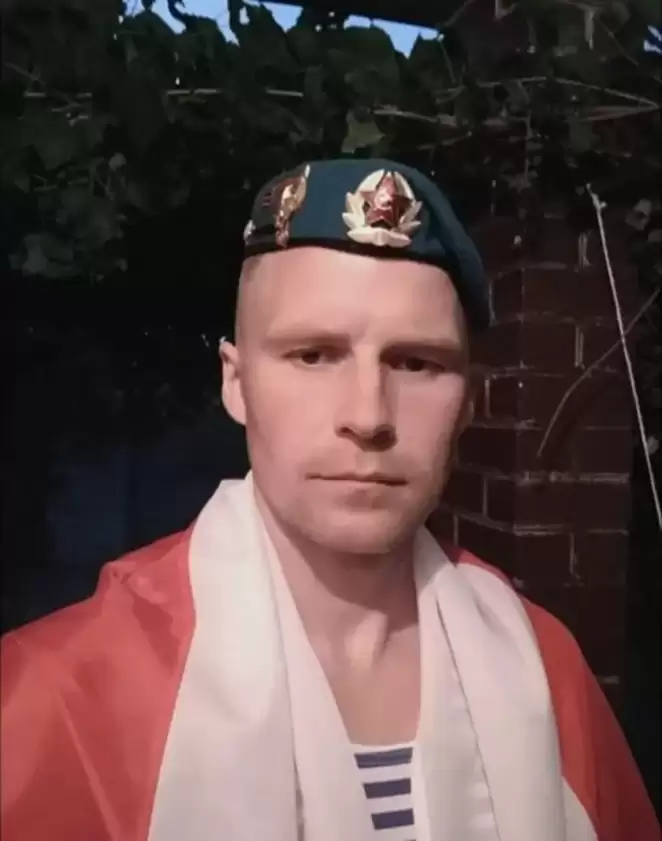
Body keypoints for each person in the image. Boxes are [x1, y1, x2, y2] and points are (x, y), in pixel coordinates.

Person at [1, 159, 658, 841]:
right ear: (236, 382)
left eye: (417, 363)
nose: (368, 416)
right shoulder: (58, 698)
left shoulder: (545, 672)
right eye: (314, 355)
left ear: (467, 401)